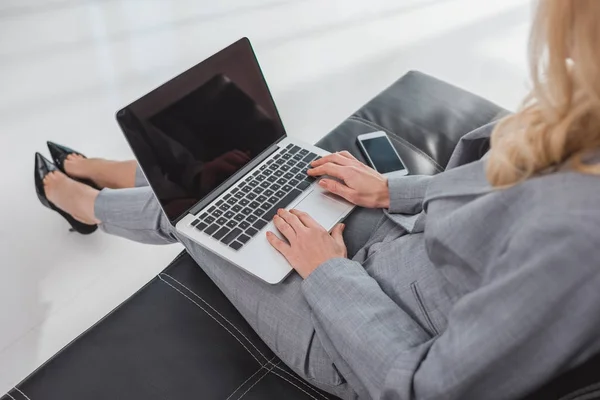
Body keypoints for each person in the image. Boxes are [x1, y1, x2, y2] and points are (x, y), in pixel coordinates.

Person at [33, 1, 600, 399]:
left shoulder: (579, 241)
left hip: (364, 341)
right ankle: (109, 175)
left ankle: (82, 203)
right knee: (240, 178)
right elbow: (505, 205)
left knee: (199, 210)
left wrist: (330, 274)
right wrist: (391, 190)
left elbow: (423, 388)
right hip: (404, 253)